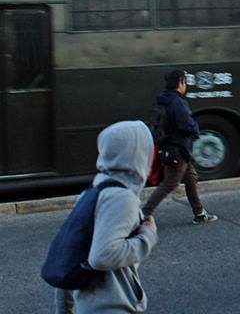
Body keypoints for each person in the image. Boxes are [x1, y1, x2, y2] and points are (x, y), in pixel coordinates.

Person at [56, 121, 159, 314]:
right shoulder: (122, 198)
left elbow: (68, 256)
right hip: (112, 307)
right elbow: (102, 257)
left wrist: (65, 310)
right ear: (137, 153)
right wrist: (148, 236)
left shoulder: (93, 192)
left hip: (89, 305)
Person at [141, 70, 217, 224]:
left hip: (170, 147)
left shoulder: (163, 99)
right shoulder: (177, 102)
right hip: (177, 149)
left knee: (191, 178)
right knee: (169, 184)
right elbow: (186, 124)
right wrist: (195, 128)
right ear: (180, 83)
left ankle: (199, 214)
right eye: (185, 82)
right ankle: (142, 215)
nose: (185, 85)